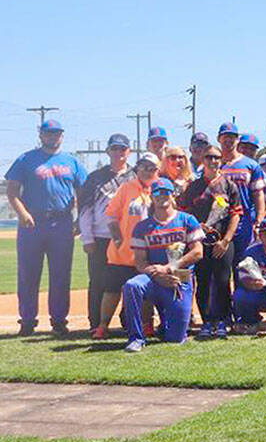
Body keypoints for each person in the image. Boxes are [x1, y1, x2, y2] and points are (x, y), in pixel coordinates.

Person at [5, 119, 87, 335]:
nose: (53, 137)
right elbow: (12, 192)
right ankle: (27, 321)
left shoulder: (72, 161)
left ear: (62, 136)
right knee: (28, 273)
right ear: (40, 135)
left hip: (61, 222)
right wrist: (23, 213)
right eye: (48, 133)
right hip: (32, 223)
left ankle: (59, 320)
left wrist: (79, 219)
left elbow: (83, 192)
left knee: (61, 274)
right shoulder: (26, 159)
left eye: (56, 133)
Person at [119, 178, 203, 352]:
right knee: (132, 286)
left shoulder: (187, 220)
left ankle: (167, 324)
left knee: (175, 338)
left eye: (166, 192)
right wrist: (157, 274)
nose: (161, 196)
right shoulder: (142, 227)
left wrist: (171, 268)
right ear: (152, 197)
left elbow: (198, 252)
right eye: (157, 193)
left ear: (173, 195)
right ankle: (136, 338)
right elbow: (140, 261)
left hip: (179, 278)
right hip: (153, 277)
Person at [177, 145, 243, 339]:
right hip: (199, 243)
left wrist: (226, 240)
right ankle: (207, 321)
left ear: (221, 160)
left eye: (216, 157)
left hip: (222, 242)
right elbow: (183, 213)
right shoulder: (194, 186)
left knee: (223, 280)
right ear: (203, 160)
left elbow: (235, 214)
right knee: (203, 280)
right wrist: (196, 227)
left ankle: (222, 320)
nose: (213, 161)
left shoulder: (229, 185)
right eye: (209, 157)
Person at [98, 153, 160, 338]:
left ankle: (147, 324)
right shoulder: (126, 188)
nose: (148, 171)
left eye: (152, 168)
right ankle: (103, 326)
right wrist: (118, 239)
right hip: (122, 253)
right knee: (112, 291)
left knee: (146, 292)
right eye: (144, 167)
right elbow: (111, 214)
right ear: (137, 168)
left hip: (148, 252)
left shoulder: (160, 188)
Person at [77, 133, 133, 334]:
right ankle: (96, 324)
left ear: (129, 151)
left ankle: (129, 321)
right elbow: (85, 210)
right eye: (114, 148)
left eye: (122, 148)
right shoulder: (95, 178)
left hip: (127, 239)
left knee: (129, 281)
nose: (118, 152)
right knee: (98, 282)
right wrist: (87, 238)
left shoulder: (135, 176)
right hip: (101, 237)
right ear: (108, 151)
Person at [217, 124, 266, 261]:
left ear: (237, 140)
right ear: (218, 139)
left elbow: (258, 195)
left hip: (244, 223)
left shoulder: (250, 165)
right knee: (220, 267)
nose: (228, 140)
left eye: (232, 137)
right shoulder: (214, 162)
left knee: (243, 265)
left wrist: (259, 220)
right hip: (219, 223)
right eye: (225, 137)